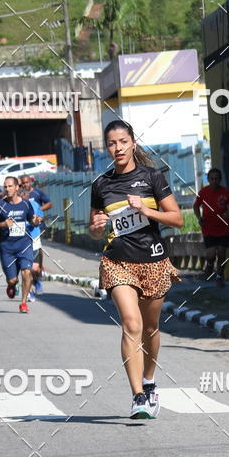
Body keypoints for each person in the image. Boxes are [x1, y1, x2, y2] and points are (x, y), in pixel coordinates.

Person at [89, 119, 183, 420]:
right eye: (112, 144)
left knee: (151, 327)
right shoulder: (101, 185)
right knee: (131, 324)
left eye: (122, 141)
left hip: (153, 260)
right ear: (107, 148)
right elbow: (94, 230)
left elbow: (176, 218)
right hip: (118, 262)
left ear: (132, 142)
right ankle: (138, 397)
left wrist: (145, 209)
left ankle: (149, 380)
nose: (117, 148)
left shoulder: (152, 177)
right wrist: (96, 226)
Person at [0, 176, 42, 313]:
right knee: (12, 280)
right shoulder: (0, 205)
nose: (7, 189)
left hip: (24, 245)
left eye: (10, 186)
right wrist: (2, 224)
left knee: (26, 272)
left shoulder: (25, 204)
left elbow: (32, 219)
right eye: (5, 187)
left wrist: (36, 221)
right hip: (7, 248)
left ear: (17, 188)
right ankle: (12, 285)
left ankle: (23, 303)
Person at [193, 168, 229, 287]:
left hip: (223, 228)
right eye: (211, 179)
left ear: (220, 179)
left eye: (216, 179)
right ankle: (209, 265)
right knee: (211, 254)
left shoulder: (226, 192)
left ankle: (219, 276)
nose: (214, 181)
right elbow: (196, 206)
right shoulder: (203, 192)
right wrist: (199, 217)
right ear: (208, 179)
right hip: (208, 228)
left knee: (222, 254)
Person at [19, 174, 51, 293]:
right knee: (26, 266)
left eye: (26, 182)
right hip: (21, 237)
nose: (25, 185)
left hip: (35, 230)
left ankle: (37, 278)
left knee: (35, 265)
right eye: (22, 184)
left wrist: (37, 214)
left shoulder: (37, 194)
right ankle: (27, 289)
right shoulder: (17, 200)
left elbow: (49, 203)